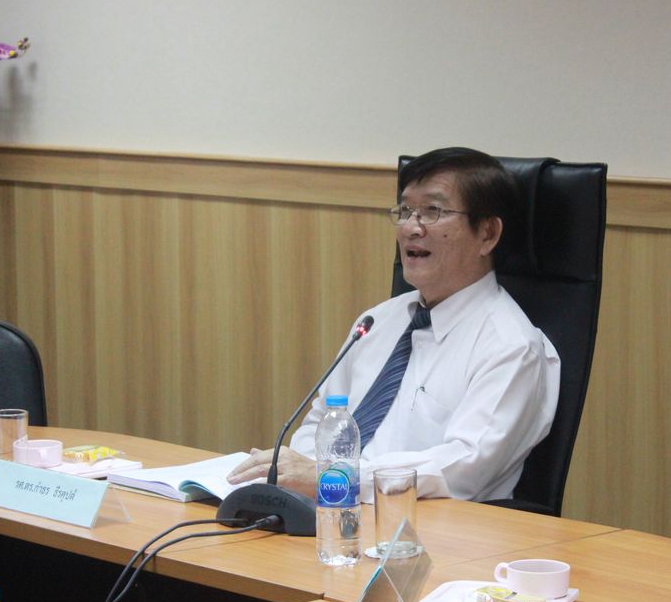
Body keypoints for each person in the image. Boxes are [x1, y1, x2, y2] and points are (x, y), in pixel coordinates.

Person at [227, 147, 560, 502]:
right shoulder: (376, 322)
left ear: (488, 234)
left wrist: (336, 479)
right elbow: (322, 418)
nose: (411, 228)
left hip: (428, 524)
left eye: (433, 211)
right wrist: (300, 480)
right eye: (405, 211)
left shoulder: (512, 347)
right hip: (332, 513)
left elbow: (463, 468)